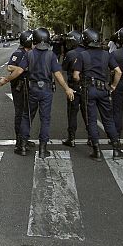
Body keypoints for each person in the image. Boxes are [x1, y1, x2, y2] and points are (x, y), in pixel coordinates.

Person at [16, 27, 75, 158]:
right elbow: (58, 74)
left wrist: (5, 79)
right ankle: (43, 149)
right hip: (46, 90)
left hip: (32, 90)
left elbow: (19, 71)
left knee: (27, 117)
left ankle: (23, 146)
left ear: (35, 39)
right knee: (45, 119)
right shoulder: (51, 55)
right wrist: (66, 88)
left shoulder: (29, 54)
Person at [74, 28, 123, 160]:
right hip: (103, 89)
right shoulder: (107, 54)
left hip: (88, 89)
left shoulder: (82, 55)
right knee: (108, 119)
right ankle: (116, 148)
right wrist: (113, 86)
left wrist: (82, 81)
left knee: (91, 120)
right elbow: (118, 72)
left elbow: (75, 75)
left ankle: (96, 150)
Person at [0, 30, 35, 153]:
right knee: (20, 113)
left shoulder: (33, 53)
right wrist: (21, 69)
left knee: (28, 113)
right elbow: (9, 66)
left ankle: (24, 137)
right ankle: (19, 141)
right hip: (20, 86)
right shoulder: (18, 53)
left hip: (30, 86)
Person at [60, 30, 83, 147]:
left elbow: (63, 69)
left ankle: (71, 138)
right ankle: (91, 138)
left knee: (72, 113)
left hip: (73, 86)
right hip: (86, 87)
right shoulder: (87, 52)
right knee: (88, 113)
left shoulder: (70, 54)